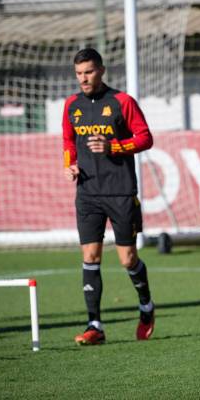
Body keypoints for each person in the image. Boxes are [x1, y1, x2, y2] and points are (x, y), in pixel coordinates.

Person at [63, 48, 155, 345]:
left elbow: (145, 138)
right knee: (90, 257)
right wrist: (69, 165)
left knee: (128, 259)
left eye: (88, 72)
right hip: (87, 193)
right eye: (78, 74)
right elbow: (68, 141)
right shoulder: (71, 105)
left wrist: (114, 146)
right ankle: (95, 326)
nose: (83, 79)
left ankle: (146, 307)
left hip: (120, 192)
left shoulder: (123, 102)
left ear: (101, 70)